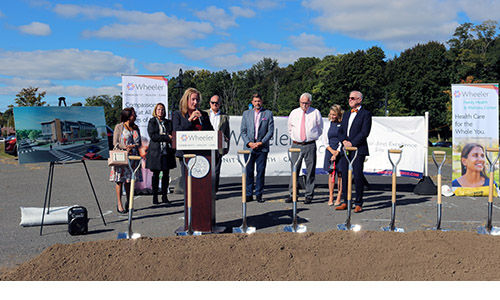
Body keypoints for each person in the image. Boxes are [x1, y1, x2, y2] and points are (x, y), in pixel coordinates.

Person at [336, 91, 372, 213]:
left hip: (358, 149)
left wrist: (352, 143)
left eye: (352, 98)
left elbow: (364, 132)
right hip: (346, 149)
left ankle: (358, 202)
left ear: (359, 100)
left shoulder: (365, 114)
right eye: (349, 98)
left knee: (357, 175)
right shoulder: (346, 114)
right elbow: (340, 132)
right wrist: (344, 141)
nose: (349, 100)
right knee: (345, 175)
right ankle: (346, 201)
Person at [172, 88, 214, 193]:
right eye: (193, 99)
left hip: (203, 154)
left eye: (197, 100)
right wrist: (190, 119)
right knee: (188, 182)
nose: (195, 102)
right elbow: (177, 131)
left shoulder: (203, 115)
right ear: (186, 100)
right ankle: (189, 205)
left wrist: (202, 120)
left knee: (200, 183)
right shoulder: (178, 114)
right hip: (186, 154)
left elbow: (211, 132)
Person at [286, 92, 323, 204]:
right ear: (299, 102)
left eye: (306, 103)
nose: (304, 105)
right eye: (302, 103)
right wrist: (296, 137)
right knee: (294, 170)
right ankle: (293, 194)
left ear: (310, 102)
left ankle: (309, 195)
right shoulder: (294, 112)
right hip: (296, 144)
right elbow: (289, 128)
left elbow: (320, 128)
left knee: (310, 170)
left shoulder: (315, 112)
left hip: (310, 144)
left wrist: (311, 136)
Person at [240, 93, 274, 203]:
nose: (257, 103)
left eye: (259, 101)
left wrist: (261, 142)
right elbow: (243, 131)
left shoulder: (268, 114)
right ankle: (249, 194)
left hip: (262, 148)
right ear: (252, 102)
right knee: (248, 172)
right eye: (255, 101)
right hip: (249, 148)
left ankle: (259, 194)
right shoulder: (246, 114)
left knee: (260, 172)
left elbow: (270, 131)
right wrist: (249, 143)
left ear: (261, 102)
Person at [109, 107, 143, 214]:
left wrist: (134, 146)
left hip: (133, 158)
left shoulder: (135, 128)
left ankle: (129, 203)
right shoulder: (119, 127)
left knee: (129, 181)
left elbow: (139, 142)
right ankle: (119, 204)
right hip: (122, 157)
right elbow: (115, 143)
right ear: (127, 115)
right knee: (120, 181)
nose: (135, 116)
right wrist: (125, 147)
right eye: (133, 114)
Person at [145, 103, 176, 205]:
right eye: (158, 109)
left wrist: (167, 137)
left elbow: (172, 134)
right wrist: (166, 137)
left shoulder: (168, 122)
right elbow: (153, 136)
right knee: (156, 175)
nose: (160, 111)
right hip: (155, 152)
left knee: (166, 175)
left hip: (166, 151)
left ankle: (164, 196)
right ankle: (155, 197)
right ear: (155, 110)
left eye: (162, 110)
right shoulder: (152, 121)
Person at [204, 94, 230, 193]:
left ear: (220, 104)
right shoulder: (204, 113)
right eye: (212, 102)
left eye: (217, 103)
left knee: (216, 170)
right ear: (210, 103)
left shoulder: (224, 116)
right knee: (206, 169)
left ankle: (214, 192)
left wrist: (227, 147)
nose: (214, 104)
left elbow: (227, 133)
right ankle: (205, 190)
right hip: (205, 146)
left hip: (218, 146)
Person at [322, 104, 344, 207]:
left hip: (339, 152)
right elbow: (324, 140)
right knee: (331, 174)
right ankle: (331, 196)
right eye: (331, 114)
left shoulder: (342, 124)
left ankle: (339, 196)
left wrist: (337, 152)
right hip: (329, 151)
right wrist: (331, 152)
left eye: (334, 114)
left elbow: (343, 140)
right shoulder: (328, 124)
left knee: (340, 175)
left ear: (338, 114)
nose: (332, 116)